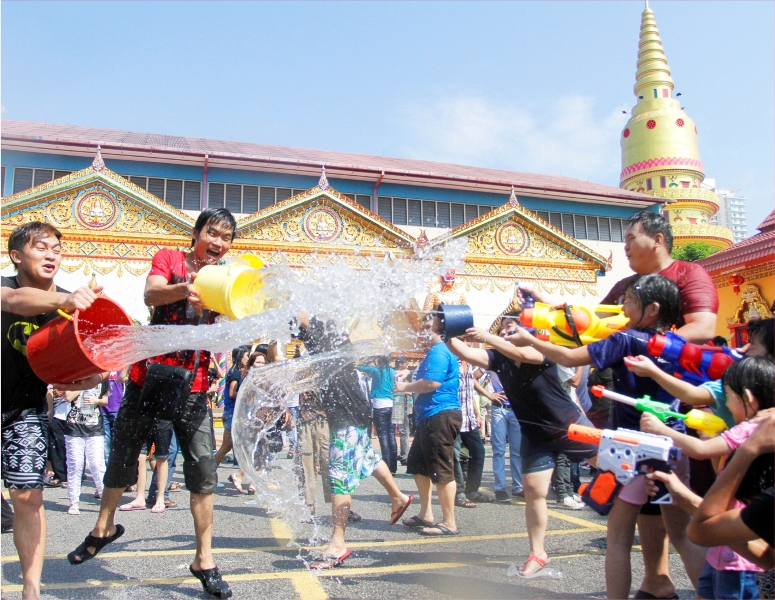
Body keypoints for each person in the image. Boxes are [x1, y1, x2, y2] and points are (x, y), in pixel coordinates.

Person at [520, 210, 720, 599]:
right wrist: (553, 306)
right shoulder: (634, 301)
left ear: (659, 240)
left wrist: (534, 339)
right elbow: (591, 321)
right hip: (670, 432)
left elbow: (704, 328)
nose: (625, 246)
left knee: (620, 532)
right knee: (667, 520)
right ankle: (660, 582)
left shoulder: (677, 287)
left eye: (631, 238)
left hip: (641, 436)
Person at [67, 208, 237, 599]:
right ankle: (103, 528)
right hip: (149, 378)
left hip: (193, 386)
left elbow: (235, 313)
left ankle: (204, 559)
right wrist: (185, 288)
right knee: (123, 457)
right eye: (212, 233)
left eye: (225, 238)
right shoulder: (169, 258)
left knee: (203, 472)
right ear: (196, 233)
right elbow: (151, 292)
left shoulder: (227, 275)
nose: (218, 242)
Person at [448, 312, 596, 576]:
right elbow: (469, 354)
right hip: (535, 434)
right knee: (534, 491)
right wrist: (446, 329)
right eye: (503, 329)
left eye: (511, 328)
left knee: (615, 469)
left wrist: (486, 336)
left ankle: (642, 517)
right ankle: (538, 553)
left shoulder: (542, 352)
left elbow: (526, 355)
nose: (505, 333)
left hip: (571, 426)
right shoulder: (500, 359)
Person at [2, 221, 104, 600]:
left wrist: (88, 380)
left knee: (29, 496)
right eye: (41, 247)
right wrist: (65, 302)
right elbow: (12, 303)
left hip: (25, 411)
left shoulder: (68, 302)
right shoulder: (7, 288)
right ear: (16, 256)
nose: (51, 254)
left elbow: (89, 367)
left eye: (57, 249)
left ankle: (32, 587)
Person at [640, 357, 774, 600]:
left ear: (749, 398)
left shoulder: (751, 428)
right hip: (727, 543)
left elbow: (701, 452)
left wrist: (662, 430)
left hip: (737, 548)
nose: (726, 405)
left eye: (728, 397)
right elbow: (722, 474)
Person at [298, 313, 413, 569]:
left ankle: (338, 543)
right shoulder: (334, 347)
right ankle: (398, 497)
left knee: (339, 478)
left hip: (346, 420)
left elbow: (303, 318)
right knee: (368, 458)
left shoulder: (327, 343)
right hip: (356, 415)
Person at [395, 313, 462, 536]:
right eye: (422, 325)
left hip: (440, 414)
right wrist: (410, 372)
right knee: (418, 465)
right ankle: (426, 514)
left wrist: (406, 387)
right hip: (428, 416)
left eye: (427, 325)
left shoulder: (440, 350)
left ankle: (449, 522)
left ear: (441, 326)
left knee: (442, 469)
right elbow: (430, 373)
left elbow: (432, 382)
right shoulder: (434, 352)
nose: (423, 329)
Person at [453, 355, 493, 507]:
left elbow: (469, 392)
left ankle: (472, 491)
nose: (467, 342)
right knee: (455, 455)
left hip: (469, 417)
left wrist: (476, 413)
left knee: (479, 452)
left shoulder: (469, 362)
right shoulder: (450, 361)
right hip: (453, 415)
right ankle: (459, 493)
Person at [63, 385, 107, 515]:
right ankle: (73, 502)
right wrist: (83, 385)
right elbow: (68, 397)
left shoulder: (101, 378)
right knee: (75, 464)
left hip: (95, 426)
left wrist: (96, 401)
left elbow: (105, 400)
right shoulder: (75, 377)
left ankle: (105, 500)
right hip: (74, 427)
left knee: (96, 464)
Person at [483, 367, 523, 502]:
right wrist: (489, 395)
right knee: (499, 450)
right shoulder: (493, 357)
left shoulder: (517, 356)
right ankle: (500, 488)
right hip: (498, 408)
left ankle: (518, 487)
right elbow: (473, 377)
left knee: (517, 450)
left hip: (517, 409)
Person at [358, 356, 398, 474]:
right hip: (391, 404)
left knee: (383, 436)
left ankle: (387, 464)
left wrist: (365, 360)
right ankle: (393, 467)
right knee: (391, 435)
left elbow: (359, 367)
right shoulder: (392, 371)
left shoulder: (376, 370)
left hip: (379, 405)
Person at [296, 389, 331, 518]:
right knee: (306, 462)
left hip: (327, 419)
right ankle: (307, 504)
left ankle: (340, 504)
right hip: (307, 418)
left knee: (332, 462)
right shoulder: (302, 370)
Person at [100, 369, 128, 465]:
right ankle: (108, 469)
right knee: (105, 442)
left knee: (117, 441)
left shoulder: (122, 367)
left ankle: (117, 467)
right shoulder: (102, 368)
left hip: (117, 408)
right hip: (103, 408)